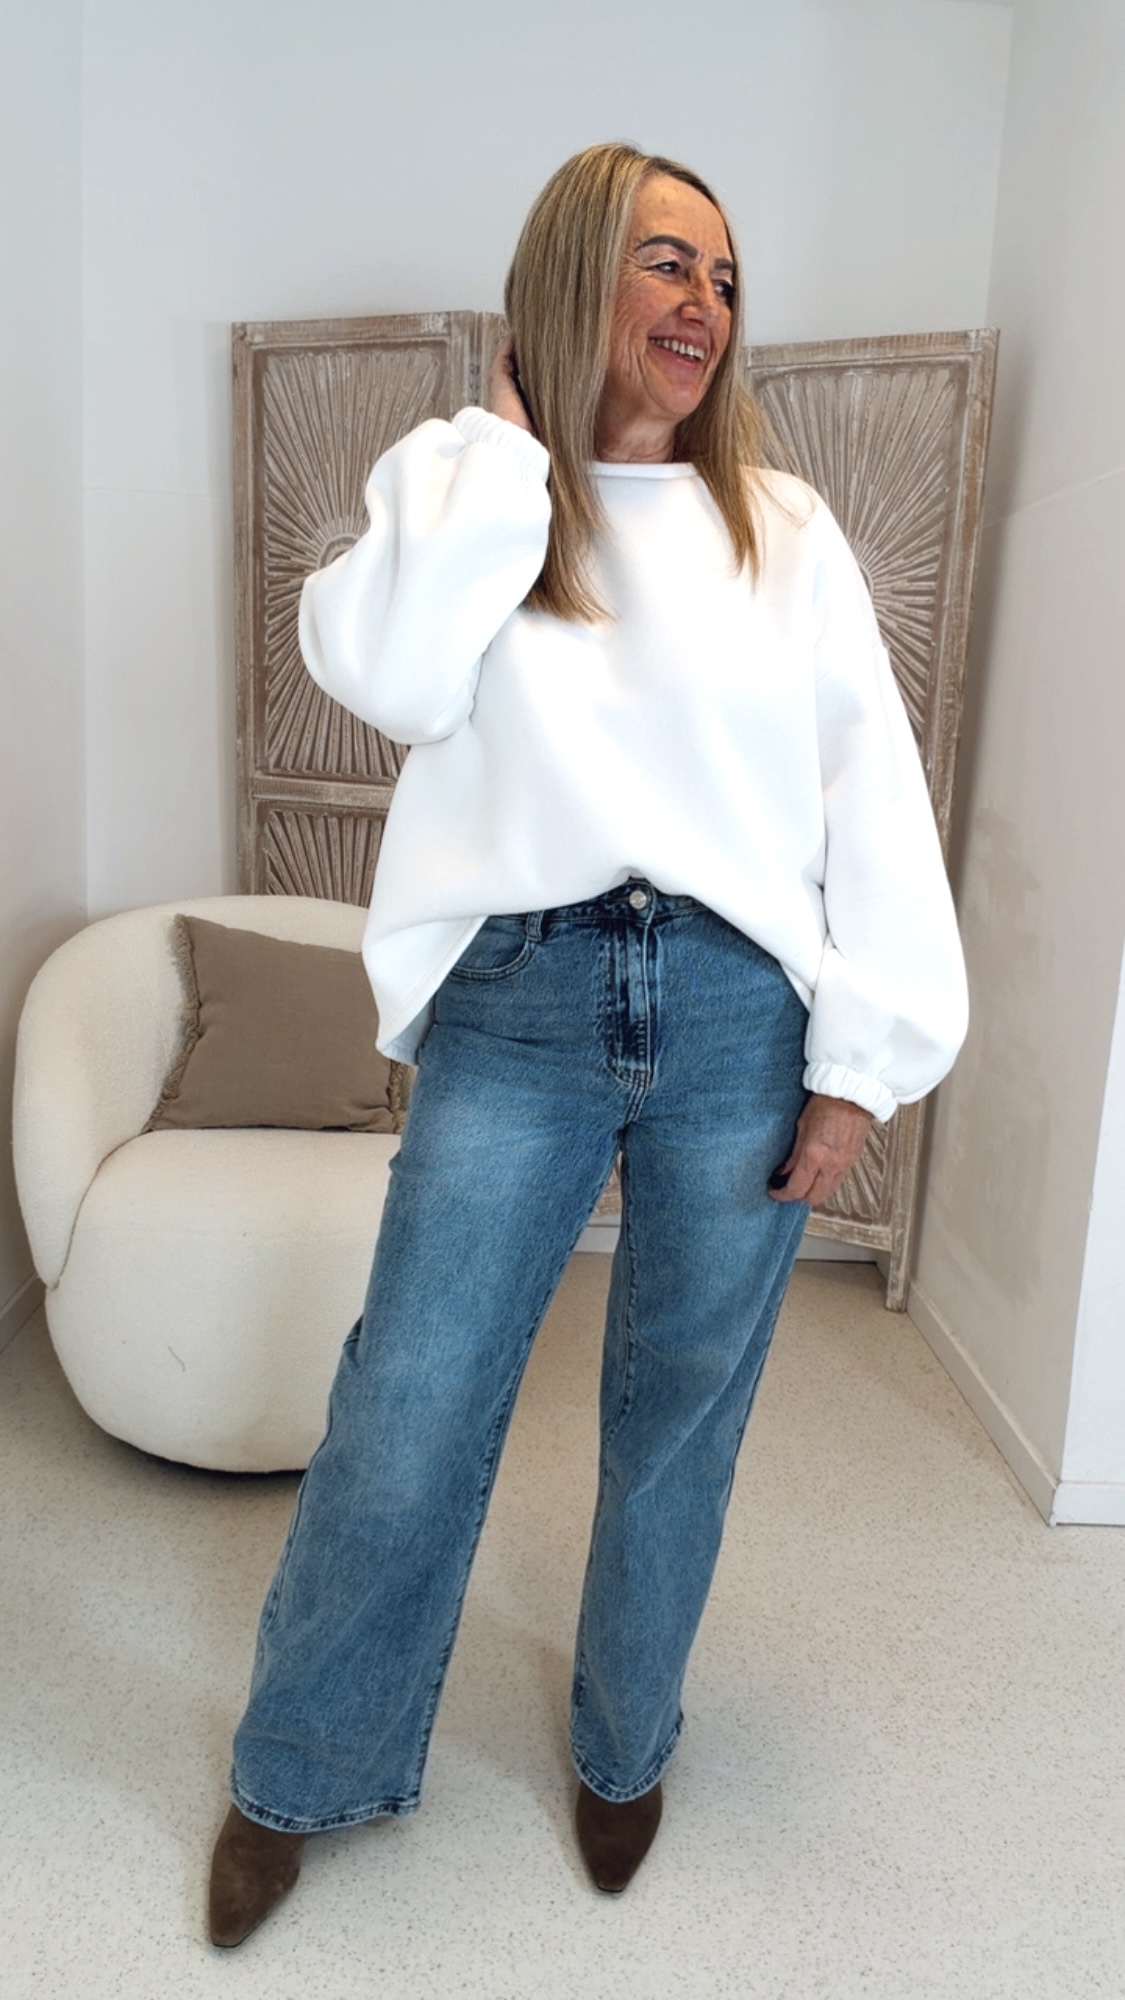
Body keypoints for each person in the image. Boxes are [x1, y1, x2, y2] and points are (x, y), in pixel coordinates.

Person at [208, 142, 967, 1947]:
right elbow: (386, 676)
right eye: (662, 262)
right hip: (521, 997)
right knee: (409, 1401)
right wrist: (503, 443)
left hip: (739, 1011)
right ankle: (303, 1765)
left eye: (723, 274)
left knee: (680, 1412)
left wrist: (859, 1059)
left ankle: (627, 1745)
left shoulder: (782, 529)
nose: (704, 301)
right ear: (567, 279)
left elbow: (872, 795)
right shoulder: (461, 493)